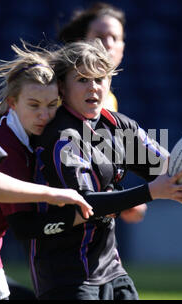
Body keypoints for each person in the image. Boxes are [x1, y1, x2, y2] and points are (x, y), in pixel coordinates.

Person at [24, 39, 182, 300]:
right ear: (62, 86)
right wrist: (150, 192)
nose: (93, 86)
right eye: (82, 79)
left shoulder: (117, 126)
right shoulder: (61, 137)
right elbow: (85, 204)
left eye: (100, 78)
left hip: (111, 270)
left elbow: (167, 169)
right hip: (66, 277)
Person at [0, 4, 92, 300]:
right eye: (34, 105)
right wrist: (54, 195)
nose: (44, 115)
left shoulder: (40, 138)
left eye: (52, 106)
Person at [58, 2, 147, 223]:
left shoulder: (108, 102)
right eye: (100, 35)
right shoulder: (61, 96)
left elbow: (97, 163)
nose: (107, 44)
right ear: (82, 41)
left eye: (115, 38)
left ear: (123, 47)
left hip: (93, 220)